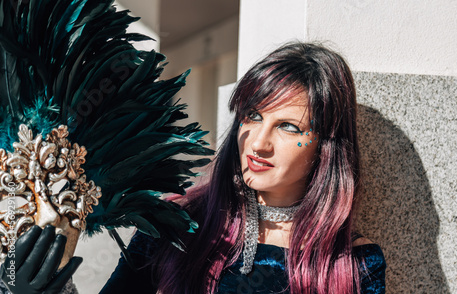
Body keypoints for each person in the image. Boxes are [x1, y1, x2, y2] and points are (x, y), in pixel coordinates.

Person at [1, 42, 386, 294]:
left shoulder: (354, 265)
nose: (258, 142)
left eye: (288, 127)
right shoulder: (176, 224)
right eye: (252, 116)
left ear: (327, 147)